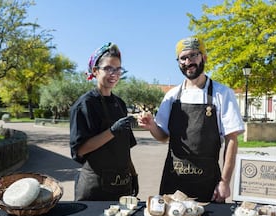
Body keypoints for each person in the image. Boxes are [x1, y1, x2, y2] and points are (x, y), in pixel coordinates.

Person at [138, 36, 244, 203]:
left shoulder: (222, 93)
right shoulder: (172, 96)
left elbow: (232, 140)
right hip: (173, 181)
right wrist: (151, 126)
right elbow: (163, 136)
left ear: (204, 57)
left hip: (208, 182)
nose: (188, 62)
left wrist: (224, 182)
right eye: (183, 58)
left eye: (194, 55)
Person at [69, 42, 138, 200]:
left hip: (122, 186)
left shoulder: (119, 104)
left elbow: (125, 149)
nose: (114, 73)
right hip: (95, 188)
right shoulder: (84, 105)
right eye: (108, 68)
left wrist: (133, 174)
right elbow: (80, 150)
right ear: (95, 71)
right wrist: (112, 131)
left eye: (118, 69)